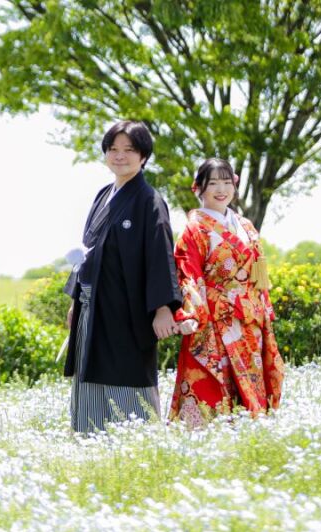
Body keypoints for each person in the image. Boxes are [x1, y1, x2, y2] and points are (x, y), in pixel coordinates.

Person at [63, 120, 182, 434]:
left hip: (128, 309)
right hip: (94, 304)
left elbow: (160, 254)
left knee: (127, 369)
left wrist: (162, 308)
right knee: (90, 369)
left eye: (129, 150)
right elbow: (87, 251)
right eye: (113, 149)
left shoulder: (148, 200)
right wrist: (77, 299)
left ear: (143, 156)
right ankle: (89, 433)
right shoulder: (104, 195)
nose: (120, 156)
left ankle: (137, 436)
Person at [169, 158, 285, 427]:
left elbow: (259, 274)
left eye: (226, 182)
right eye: (212, 184)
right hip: (213, 317)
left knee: (252, 380)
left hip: (249, 318)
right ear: (198, 188)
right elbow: (189, 274)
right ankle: (208, 436)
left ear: (234, 185)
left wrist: (264, 310)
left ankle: (251, 430)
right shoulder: (194, 229)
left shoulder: (246, 225)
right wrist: (189, 313)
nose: (220, 189)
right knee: (215, 378)